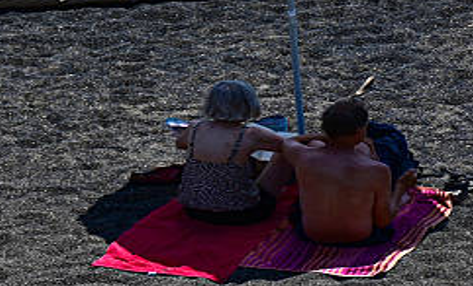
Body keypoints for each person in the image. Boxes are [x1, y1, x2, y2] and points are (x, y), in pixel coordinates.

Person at [277, 98, 418, 246]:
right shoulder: (377, 170)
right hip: (361, 237)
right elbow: (383, 221)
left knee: (315, 144)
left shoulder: (303, 156)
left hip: (311, 235)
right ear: (360, 132)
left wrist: (324, 137)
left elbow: (289, 142)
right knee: (391, 138)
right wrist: (401, 188)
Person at [174, 80, 289, 225]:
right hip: (241, 213)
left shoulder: (195, 127)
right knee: (284, 155)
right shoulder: (251, 133)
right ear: (250, 104)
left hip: (192, 209)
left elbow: (180, 144)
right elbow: (289, 146)